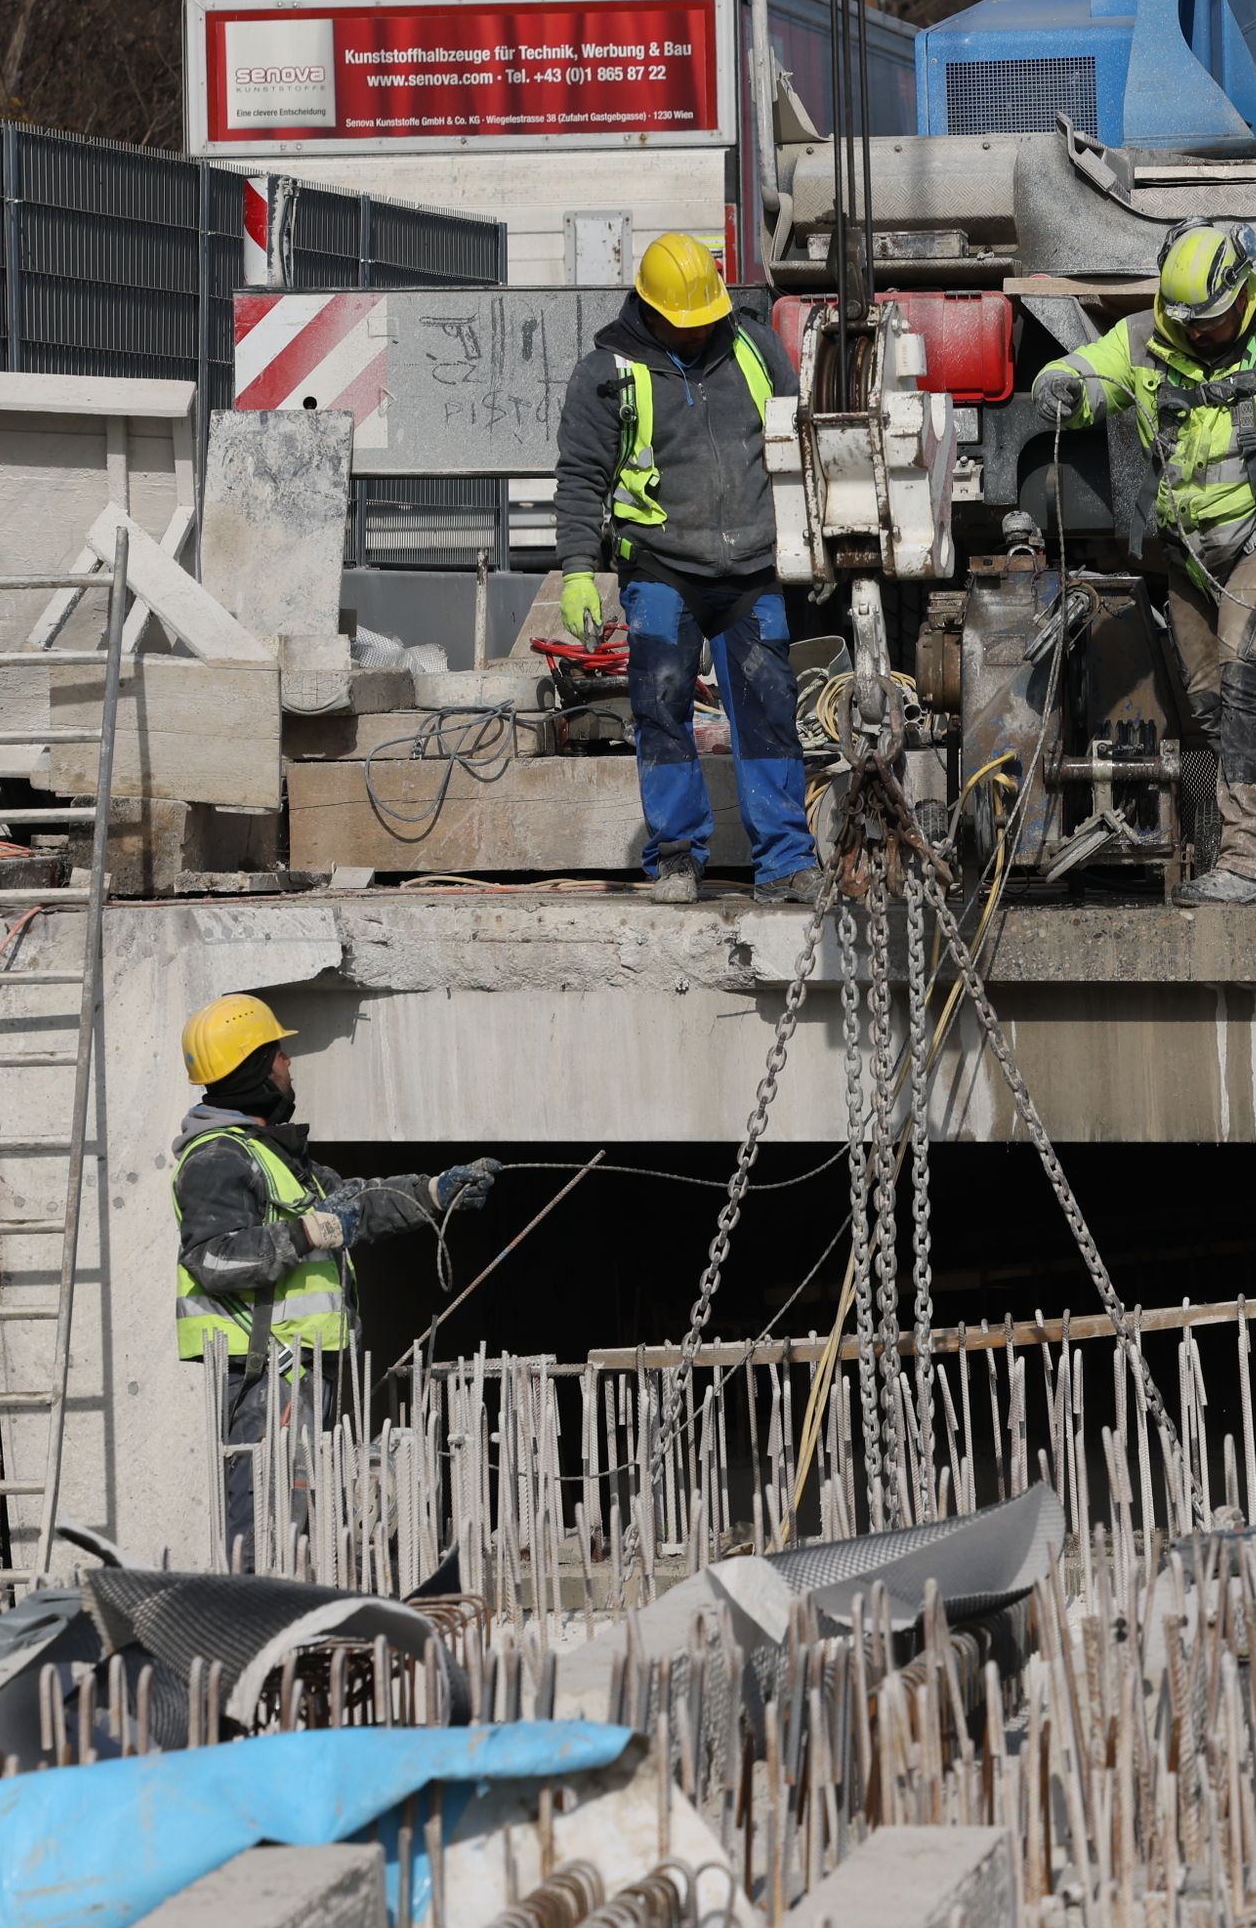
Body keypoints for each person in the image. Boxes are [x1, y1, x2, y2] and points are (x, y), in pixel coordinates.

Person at [1031, 219, 1256, 901]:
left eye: (1212, 322)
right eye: (1186, 320)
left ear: (1244, 298)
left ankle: (1246, 863)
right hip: (1192, 553)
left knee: (1250, 675)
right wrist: (1062, 385)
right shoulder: (1143, 339)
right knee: (1212, 701)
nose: (1198, 333)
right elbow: (1092, 371)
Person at [551, 231, 827, 904]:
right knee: (660, 706)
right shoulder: (607, 374)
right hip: (661, 569)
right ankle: (677, 854)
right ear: (652, 312)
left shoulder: (755, 347)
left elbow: (802, 441)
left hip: (752, 568)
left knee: (768, 711)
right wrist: (578, 570)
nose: (703, 332)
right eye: (690, 323)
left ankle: (786, 861)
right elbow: (582, 477)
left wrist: (813, 539)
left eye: (710, 318)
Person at [170, 993, 495, 1563]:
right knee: (266, 1522)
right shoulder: (216, 1160)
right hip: (265, 1373)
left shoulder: (276, 1157)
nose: (288, 1065)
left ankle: (287, 1629)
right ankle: (250, 1632)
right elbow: (212, 1258)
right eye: (278, 1054)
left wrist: (436, 1191)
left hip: (302, 1368)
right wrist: (307, 1233)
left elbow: (359, 1206)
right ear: (253, 1067)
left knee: (298, 1520)